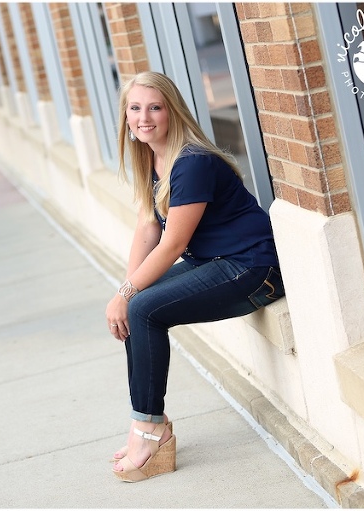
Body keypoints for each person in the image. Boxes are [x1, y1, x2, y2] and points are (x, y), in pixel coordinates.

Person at [106, 71, 285, 482]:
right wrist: (125, 291)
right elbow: (148, 228)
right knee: (137, 304)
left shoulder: (192, 163)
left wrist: (127, 293)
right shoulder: (152, 157)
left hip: (253, 268)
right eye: (135, 108)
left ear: (172, 111)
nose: (144, 117)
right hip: (216, 261)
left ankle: (149, 428)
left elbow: (171, 244)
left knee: (145, 308)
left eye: (154, 107)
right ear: (126, 116)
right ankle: (150, 423)